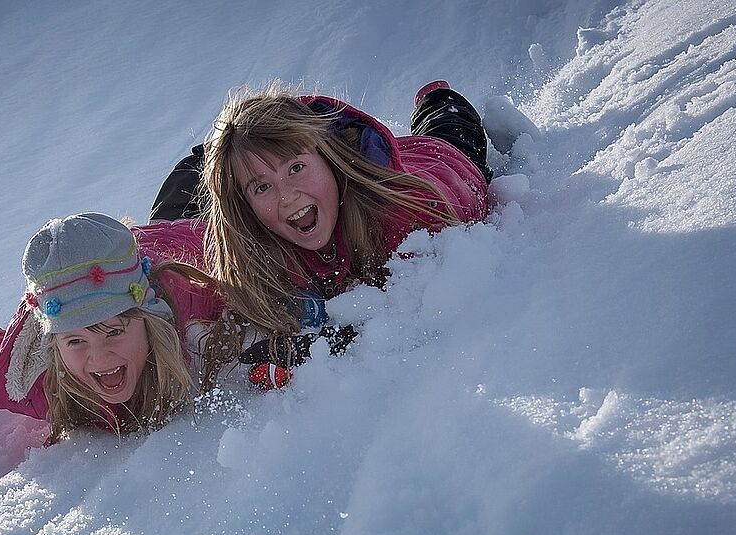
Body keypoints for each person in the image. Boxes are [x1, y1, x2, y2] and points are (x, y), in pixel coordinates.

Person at [153, 81, 492, 386]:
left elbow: (409, 314)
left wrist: (324, 343)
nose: (288, 196)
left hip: (439, 159)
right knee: (179, 205)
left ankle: (435, 97)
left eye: (296, 168)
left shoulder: (406, 214)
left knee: (450, 128)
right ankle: (216, 158)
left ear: (329, 159)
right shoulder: (250, 238)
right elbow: (171, 249)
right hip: (226, 191)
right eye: (262, 187)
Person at [0, 213, 223, 442]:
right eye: (75, 341)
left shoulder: (189, 300)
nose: (99, 358)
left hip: (171, 242)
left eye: (114, 331)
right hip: (77, 284)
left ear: (147, 320)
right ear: (54, 345)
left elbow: (229, 242)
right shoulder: (29, 379)